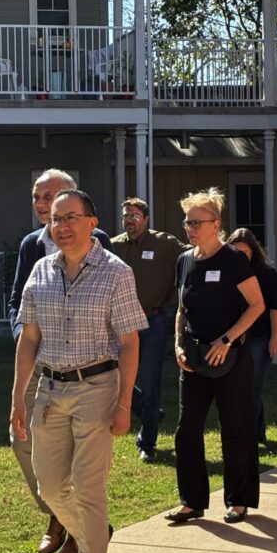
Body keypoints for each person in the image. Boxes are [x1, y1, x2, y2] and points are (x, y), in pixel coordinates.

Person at [10, 189, 148, 553]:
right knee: (50, 487)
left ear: (92, 222)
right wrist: (19, 397)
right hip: (50, 389)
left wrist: (124, 404)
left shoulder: (117, 272)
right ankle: (94, 535)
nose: (62, 226)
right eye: (56, 219)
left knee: (88, 490)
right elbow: (29, 339)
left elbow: (128, 342)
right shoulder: (41, 271)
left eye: (71, 217)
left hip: (97, 388)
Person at [7, 169, 112, 553]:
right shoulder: (31, 245)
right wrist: (21, 332)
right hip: (38, 363)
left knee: (72, 457)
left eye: (49, 196)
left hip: (84, 371)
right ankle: (59, 516)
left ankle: (73, 533)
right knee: (23, 442)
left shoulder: (94, 241)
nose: (42, 203)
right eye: (37, 196)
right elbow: (18, 299)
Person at [166, 187, 264, 524]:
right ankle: (192, 501)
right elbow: (182, 309)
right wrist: (179, 344)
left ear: (216, 223)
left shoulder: (234, 260)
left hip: (230, 360)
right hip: (194, 359)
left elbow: (257, 305)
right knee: (186, 431)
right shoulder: (185, 260)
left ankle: (239, 500)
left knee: (234, 429)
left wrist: (226, 340)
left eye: (197, 222)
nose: (190, 228)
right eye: (187, 222)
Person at [111, 198, 189, 462]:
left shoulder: (164, 243)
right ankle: (148, 410)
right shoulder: (115, 246)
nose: (129, 220)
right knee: (117, 375)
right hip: (121, 324)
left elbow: (192, 256)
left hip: (152, 321)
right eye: (125, 216)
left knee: (150, 380)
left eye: (134, 215)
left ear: (145, 219)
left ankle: (147, 442)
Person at [227, 228, 277, 444]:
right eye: (236, 251)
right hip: (234, 337)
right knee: (238, 387)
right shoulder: (227, 271)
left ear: (254, 252)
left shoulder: (267, 274)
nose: (240, 256)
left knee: (252, 386)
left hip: (260, 338)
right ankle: (255, 432)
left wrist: (276, 337)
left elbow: (276, 308)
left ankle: (250, 434)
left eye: (245, 252)